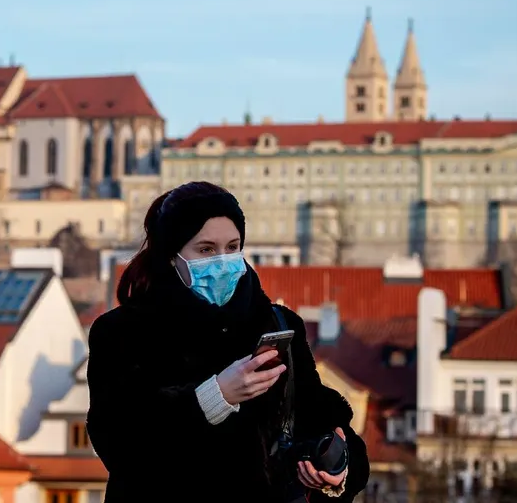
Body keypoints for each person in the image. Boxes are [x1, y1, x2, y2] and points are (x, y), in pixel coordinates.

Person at [87, 181, 370, 501]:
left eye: (232, 247)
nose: (223, 261)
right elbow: (118, 445)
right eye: (206, 249)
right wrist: (214, 396)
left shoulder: (278, 323)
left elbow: (321, 419)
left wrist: (337, 469)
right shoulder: (123, 332)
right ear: (171, 256)